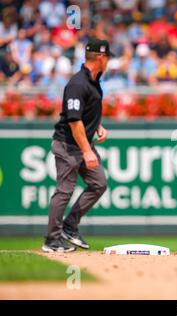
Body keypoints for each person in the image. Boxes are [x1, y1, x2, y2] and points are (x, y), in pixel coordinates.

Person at [42, 39, 112, 253]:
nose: (108, 61)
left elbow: (83, 112)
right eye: (107, 56)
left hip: (82, 144)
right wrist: (86, 150)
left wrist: (97, 125)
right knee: (64, 191)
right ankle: (52, 240)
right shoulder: (78, 83)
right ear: (100, 57)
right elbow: (74, 120)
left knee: (99, 183)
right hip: (68, 145)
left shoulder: (93, 80)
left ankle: (70, 226)